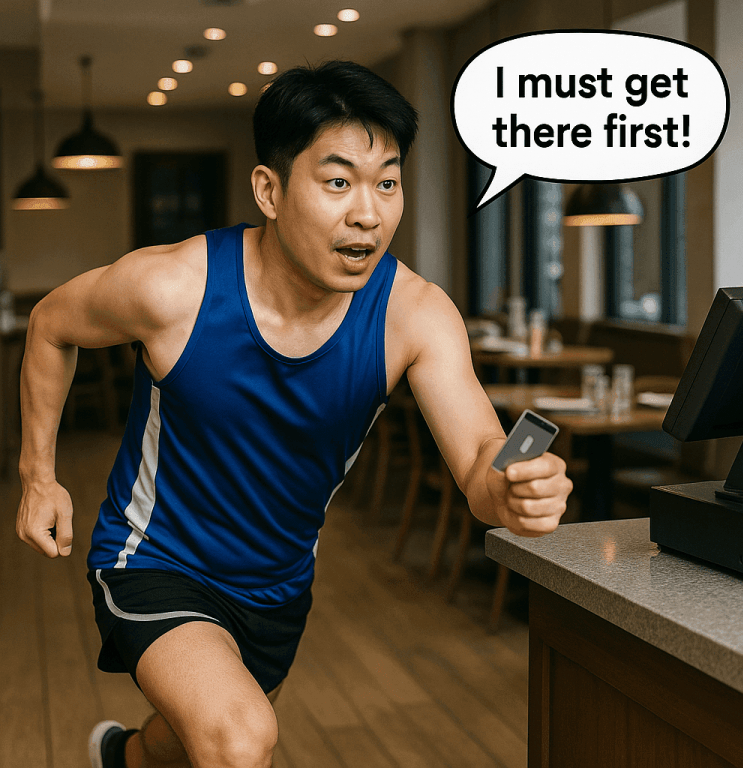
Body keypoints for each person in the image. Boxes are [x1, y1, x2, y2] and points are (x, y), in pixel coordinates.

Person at [16, 60, 572, 768]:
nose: (368, 212)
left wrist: (518, 492)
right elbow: (51, 323)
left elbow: (478, 463)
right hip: (153, 558)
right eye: (338, 182)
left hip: (279, 582)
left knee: (195, 741)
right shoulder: (174, 287)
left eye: (387, 183)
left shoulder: (414, 316)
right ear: (270, 191)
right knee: (241, 738)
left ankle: (123, 758)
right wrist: (39, 474)